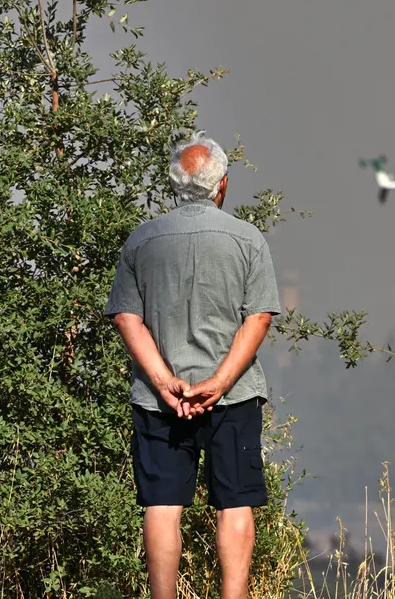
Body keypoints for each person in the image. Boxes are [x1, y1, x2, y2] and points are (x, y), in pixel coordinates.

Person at [104, 131, 281, 599]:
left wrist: (164, 384)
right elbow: (258, 316)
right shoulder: (247, 239)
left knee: (162, 505)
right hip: (233, 397)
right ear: (221, 184)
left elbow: (127, 317)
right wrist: (220, 382)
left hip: (159, 401)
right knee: (235, 503)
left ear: (173, 185)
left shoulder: (142, 240)